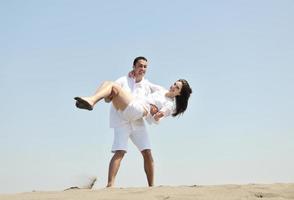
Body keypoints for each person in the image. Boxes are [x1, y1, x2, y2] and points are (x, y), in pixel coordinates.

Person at [74, 57, 191, 187]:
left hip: (137, 110)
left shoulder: (169, 105)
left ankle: (151, 187)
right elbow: (146, 83)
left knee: (147, 152)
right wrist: (133, 75)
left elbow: (159, 117)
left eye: (177, 87)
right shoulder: (160, 90)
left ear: (179, 93)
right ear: (134, 66)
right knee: (120, 151)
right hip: (126, 114)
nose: (173, 86)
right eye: (175, 84)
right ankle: (110, 185)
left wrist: (157, 114)